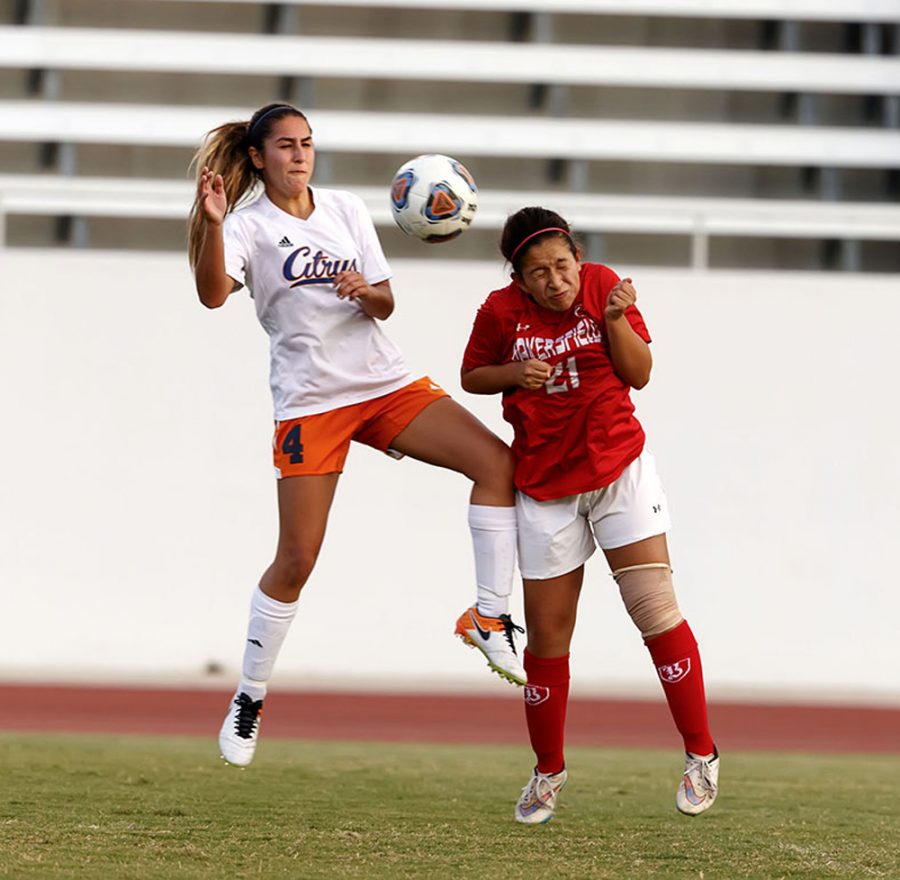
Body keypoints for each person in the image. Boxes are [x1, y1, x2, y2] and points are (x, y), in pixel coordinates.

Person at [188, 102, 525, 768]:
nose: (299, 155)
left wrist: (361, 291)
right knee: (298, 559)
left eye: (306, 143)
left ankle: (488, 616)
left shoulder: (342, 208)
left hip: (384, 386)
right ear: (257, 157)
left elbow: (385, 302)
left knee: (500, 467)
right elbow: (209, 295)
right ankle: (250, 696)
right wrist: (210, 224)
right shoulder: (249, 226)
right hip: (312, 404)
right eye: (285, 145)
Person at [461, 207, 719, 822]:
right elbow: (472, 376)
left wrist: (614, 320)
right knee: (548, 641)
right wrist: (512, 373)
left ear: (577, 257)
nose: (555, 281)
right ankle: (548, 770)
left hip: (618, 471)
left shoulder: (604, 285)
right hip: (545, 485)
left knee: (655, 611)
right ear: (519, 280)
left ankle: (701, 754)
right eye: (538, 273)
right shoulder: (499, 313)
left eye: (561, 265)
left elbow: (641, 373)